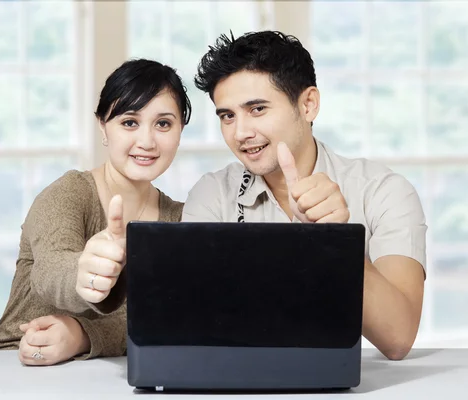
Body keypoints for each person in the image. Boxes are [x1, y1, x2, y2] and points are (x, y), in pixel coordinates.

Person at [182, 31, 427, 361]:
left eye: (257, 109)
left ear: (308, 104)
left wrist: (334, 241)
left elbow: (397, 339)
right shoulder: (211, 195)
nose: (240, 133)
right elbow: (195, 326)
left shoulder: (383, 190)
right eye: (227, 115)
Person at [0, 58, 191, 366]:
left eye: (163, 124)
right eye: (129, 122)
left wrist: (82, 334)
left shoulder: (181, 218)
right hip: (16, 366)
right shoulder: (68, 193)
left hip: (118, 380)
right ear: (103, 128)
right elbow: (51, 271)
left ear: (180, 131)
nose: (146, 141)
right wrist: (84, 274)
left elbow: (168, 323)